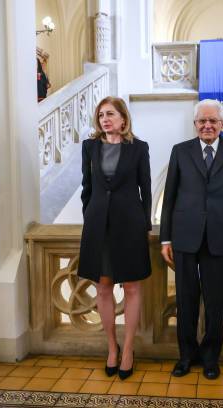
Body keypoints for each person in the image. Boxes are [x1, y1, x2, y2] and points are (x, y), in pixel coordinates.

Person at [160, 99, 223, 380]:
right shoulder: (180, 151)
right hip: (184, 237)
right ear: (195, 124)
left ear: (222, 125)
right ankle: (186, 356)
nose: (207, 125)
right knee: (185, 302)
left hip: (220, 238)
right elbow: (170, 197)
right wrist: (165, 239)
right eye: (202, 121)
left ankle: (211, 358)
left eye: (213, 121)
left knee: (214, 302)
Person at [77, 96, 152, 380]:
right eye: (101, 115)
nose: (105, 119)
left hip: (130, 226)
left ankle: (129, 349)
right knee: (104, 286)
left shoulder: (139, 148)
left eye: (110, 114)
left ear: (123, 118)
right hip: (98, 227)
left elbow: (146, 188)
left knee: (131, 288)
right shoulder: (89, 147)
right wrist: (91, 215)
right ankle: (111, 347)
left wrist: (144, 225)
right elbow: (87, 186)